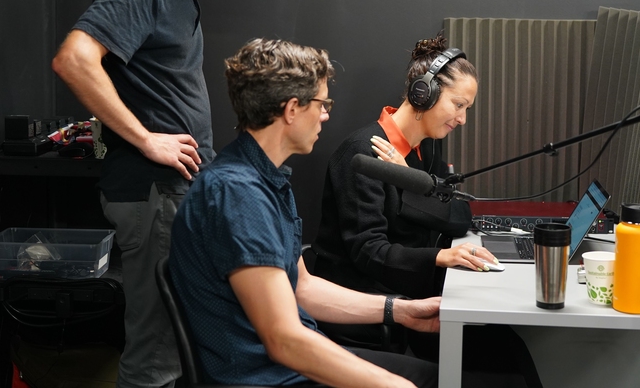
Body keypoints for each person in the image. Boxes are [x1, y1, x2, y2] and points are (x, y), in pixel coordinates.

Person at [51, 0, 266, 388]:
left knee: (177, 348)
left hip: (173, 193)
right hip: (153, 194)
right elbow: (74, 59)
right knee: (156, 356)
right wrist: (147, 138)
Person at [169, 38, 440, 388]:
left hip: (286, 365)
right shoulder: (237, 195)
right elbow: (284, 341)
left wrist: (400, 311)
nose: (326, 114)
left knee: (436, 376)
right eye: (322, 103)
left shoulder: (265, 178)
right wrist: (391, 384)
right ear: (292, 109)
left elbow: (303, 289)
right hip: (264, 378)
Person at [311, 33, 543, 387]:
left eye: (467, 109)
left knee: (512, 349)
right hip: (376, 313)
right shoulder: (361, 154)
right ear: (425, 93)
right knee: (502, 373)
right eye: (458, 105)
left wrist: (409, 179)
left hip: (416, 295)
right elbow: (369, 252)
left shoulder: (426, 148)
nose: (462, 119)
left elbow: (459, 217)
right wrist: (439, 257)